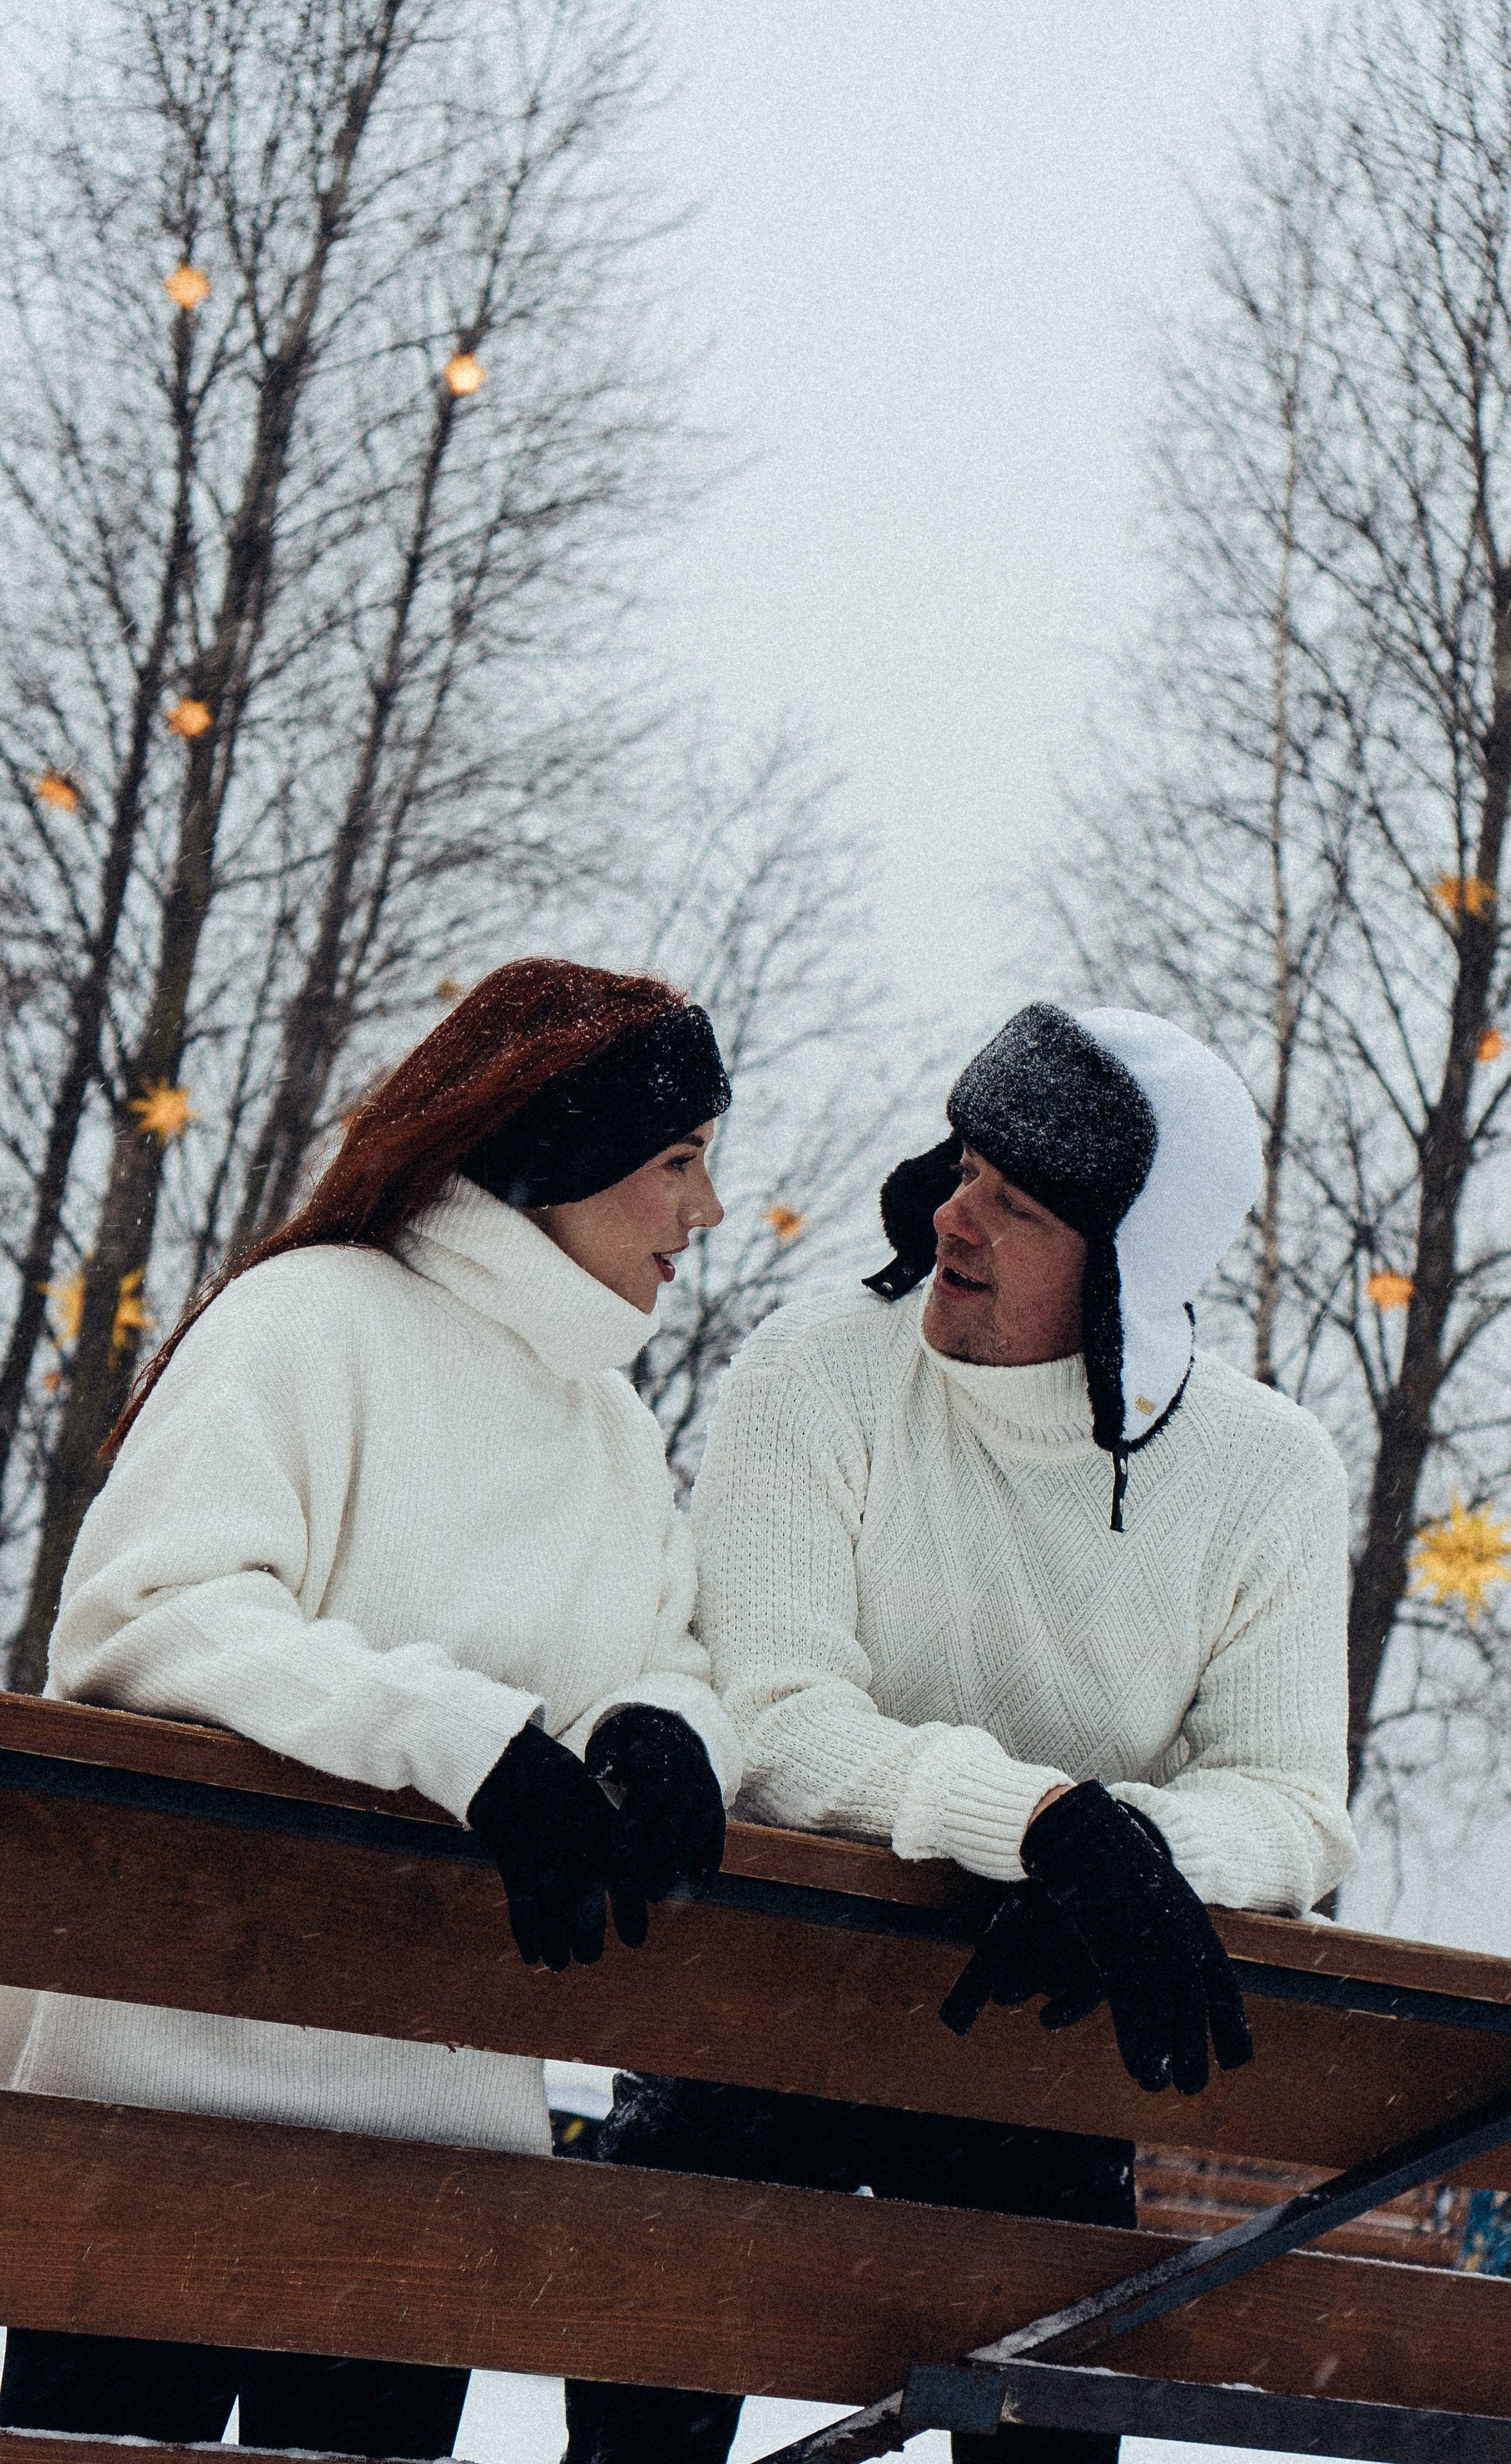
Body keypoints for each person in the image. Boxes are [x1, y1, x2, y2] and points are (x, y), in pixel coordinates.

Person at [566, 1001, 1354, 2464]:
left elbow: (1294, 1804)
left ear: (1127, 1269)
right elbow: (777, 1721)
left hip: (1025, 2064)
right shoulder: (814, 1374)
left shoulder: (1265, 1476)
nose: (955, 1216)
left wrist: (1133, 1849)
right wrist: (1048, 1826)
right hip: (754, 2026)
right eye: (964, 1167)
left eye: (1019, 1202)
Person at [1, 959, 740, 2460]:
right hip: (171, 2109)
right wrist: (460, 1743)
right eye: (679, 1163)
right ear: (565, 1155)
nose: (704, 1213)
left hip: (437, 2140)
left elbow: (670, 1652)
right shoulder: (310, 1321)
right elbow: (157, 1611)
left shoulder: (610, 1426)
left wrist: (662, 1732)